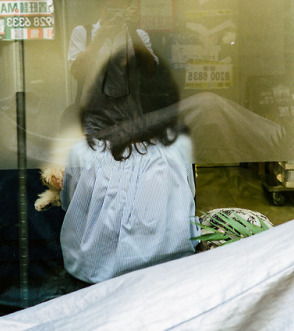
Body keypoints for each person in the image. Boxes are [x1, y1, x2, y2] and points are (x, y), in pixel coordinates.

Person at [58, 1, 199, 284]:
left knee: (130, 181)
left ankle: (112, 255)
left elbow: (150, 71)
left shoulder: (138, 34)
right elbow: (77, 71)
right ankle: (105, 246)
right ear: (100, 7)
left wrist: (131, 31)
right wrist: (101, 37)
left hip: (130, 120)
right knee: (93, 184)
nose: (117, 9)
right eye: (112, 6)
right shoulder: (83, 33)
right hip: (93, 121)